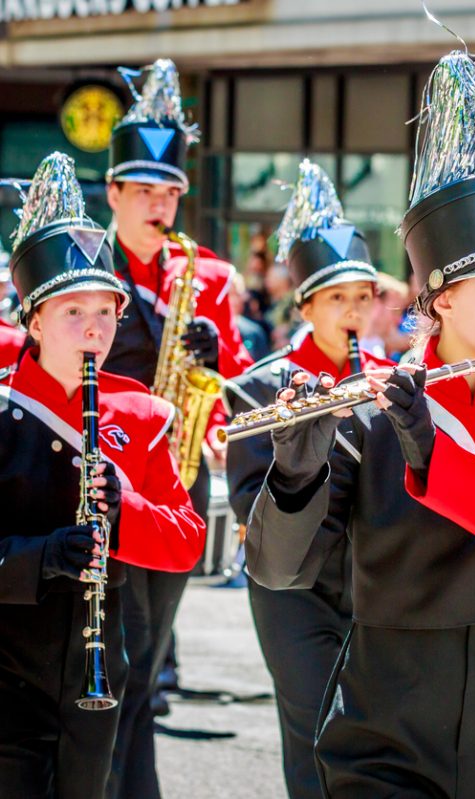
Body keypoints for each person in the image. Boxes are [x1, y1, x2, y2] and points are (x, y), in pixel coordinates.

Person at [245, 52, 475, 798]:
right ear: (439, 297)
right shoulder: (365, 408)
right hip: (382, 725)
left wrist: (435, 450)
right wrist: (292, 473)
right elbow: (279, 570)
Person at [0, 152, 203, 799]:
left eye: (106, 312)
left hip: (98, 666)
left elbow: (186, 539)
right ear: (32, 321)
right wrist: (38, 558)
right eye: (72, 312)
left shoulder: (140, 412)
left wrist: (126, 508)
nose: (95, 328)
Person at [101, 59, 252, 799]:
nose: (161, 207)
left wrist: (215, 368)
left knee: (149, 656)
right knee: (114, 658)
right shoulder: (86, 262)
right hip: (102, 478)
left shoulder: (207, 275)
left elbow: (229, 382)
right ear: (114, 194)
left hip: (178, 478)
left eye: (171, 193)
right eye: (146, 192)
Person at [224, 161, 393, 799]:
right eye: (336, 298)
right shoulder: (257, 386)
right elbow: (248, 499)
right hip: (293, 584)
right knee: (315, 726)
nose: (353, 312)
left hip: (377, 578)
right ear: (305, 305)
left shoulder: (397, 380)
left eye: (362, 296)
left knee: (373, 733)